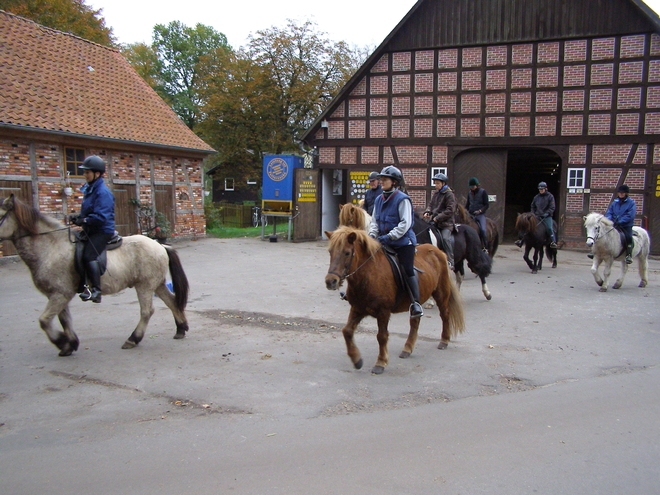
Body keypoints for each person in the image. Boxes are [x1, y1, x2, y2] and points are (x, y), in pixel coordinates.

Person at [368, 166, 423, 318]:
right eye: (381, 179)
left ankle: (415, 302)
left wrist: (388, 237)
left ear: (394, 182)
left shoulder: (402, 199)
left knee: (406, 269)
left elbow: (405, 224)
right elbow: (374, 221)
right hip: (383, 240)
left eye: (385, 179)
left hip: (403, 242)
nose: (382, 181)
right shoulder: (379, 199)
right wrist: (372, 235)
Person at [69, 155, 115, 303]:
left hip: (102, 230)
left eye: (87, 172)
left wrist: (85, 220)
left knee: (89, 256)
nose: (85, 175)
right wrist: (78, 217)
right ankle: (81, 284)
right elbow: (88, 211)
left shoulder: (103, 192)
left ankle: (96, 290)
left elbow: (101, 217)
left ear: (96, 173)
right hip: (91, 229)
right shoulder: (91, 189)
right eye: (85, 172)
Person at [423, 172, 456, 269]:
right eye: (435, 183)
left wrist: (438, 217)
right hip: (435, 221)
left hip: (446, 223)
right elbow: (431, 204)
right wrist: (428, 211)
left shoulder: (449, 195)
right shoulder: (436, 194)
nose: (436, 185)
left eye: (438, 183)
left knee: (445, 238)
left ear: (443, 184)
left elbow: (450, 210)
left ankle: (450, 261)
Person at [519, 181, 557, 249]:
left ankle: (553, 241)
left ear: (545, 189)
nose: (540, 191)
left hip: (547, 216)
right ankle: (521, 240)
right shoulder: (536, 197)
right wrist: (533, 213)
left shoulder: (550, 196)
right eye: (539, 189)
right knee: (528, 226)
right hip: (537, 215)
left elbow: (552, 207)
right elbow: (533, 206)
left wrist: (547, 213)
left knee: (549, 228)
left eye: (542, 189)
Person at [605, 184, 636, 264]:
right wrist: (610, 220)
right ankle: (597, 252)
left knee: (629, 237)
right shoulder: (614, 202)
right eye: (620, 192)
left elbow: (630, 215)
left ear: (626, 193)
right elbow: (609, 212)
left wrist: (621, 221)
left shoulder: (631, 203)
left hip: (625, 225)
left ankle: (628, 255)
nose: (621, 194)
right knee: (603, 234)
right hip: (614, 224)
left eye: (623, 193)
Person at [466, 177, 489, 251]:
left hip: (480, 215)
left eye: (473, 187)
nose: (472, 188)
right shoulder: (469, 193)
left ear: (477, 185)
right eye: (471, 187)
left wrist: (480, 211)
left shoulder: (483, 192)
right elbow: (468, 204)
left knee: (483, 230)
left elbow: (486, 205)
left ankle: (485, 246)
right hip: (471, 214)